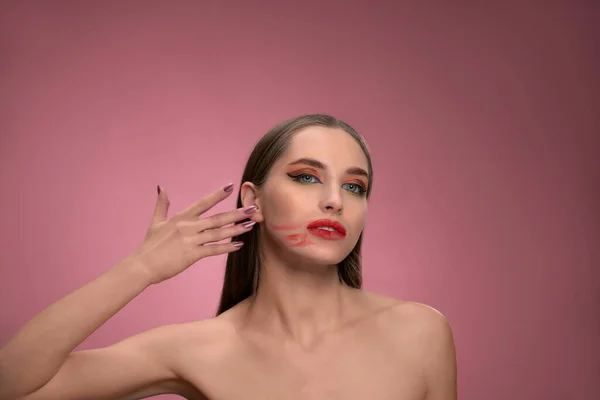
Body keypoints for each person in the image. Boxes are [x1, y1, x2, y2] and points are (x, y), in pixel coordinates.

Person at [0, 114, 457, 400]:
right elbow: (14, 387)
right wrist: (138, 270)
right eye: (306, 178)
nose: (335, 200)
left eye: (355, 186)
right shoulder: (195, 350)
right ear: (252, 199)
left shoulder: (419, 333)